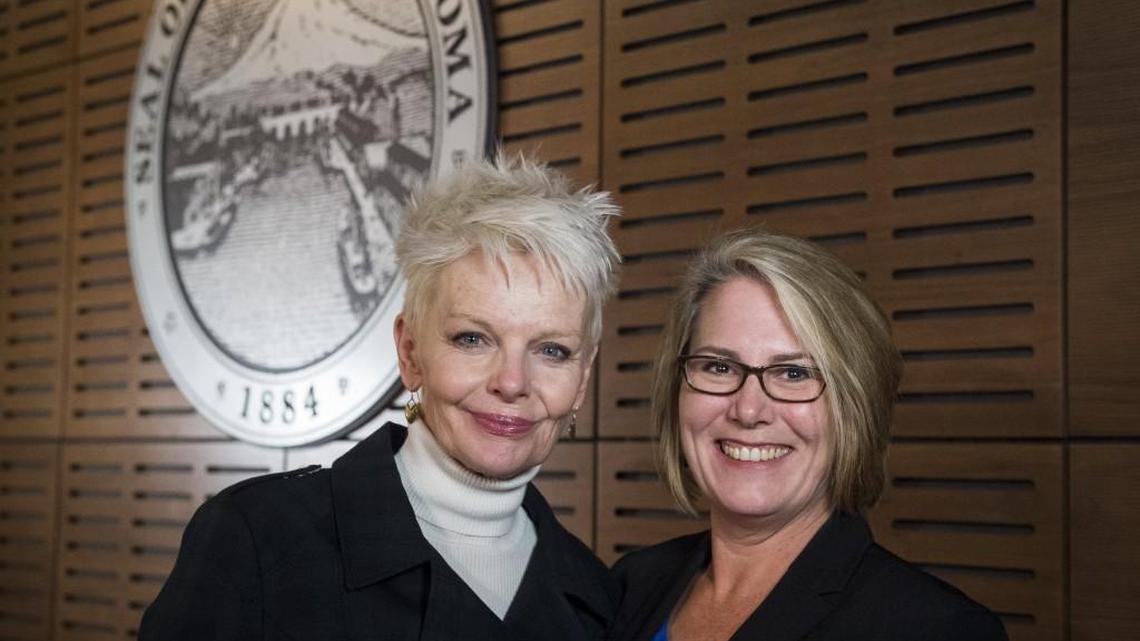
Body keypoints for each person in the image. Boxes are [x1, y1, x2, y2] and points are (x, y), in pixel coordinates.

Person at [139, 155, 622, 640]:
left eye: (552, 350)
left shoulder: (601, 597)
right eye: (473, 339)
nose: (512, 382)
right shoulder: (258, 540)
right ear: (410, 352)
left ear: (581, 379)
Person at [607, 229, 1007, 641]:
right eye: (718, 367)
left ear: (855, 404)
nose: (748, 410)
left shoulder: (937, 629)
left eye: (794, 373)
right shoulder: (628, 587)